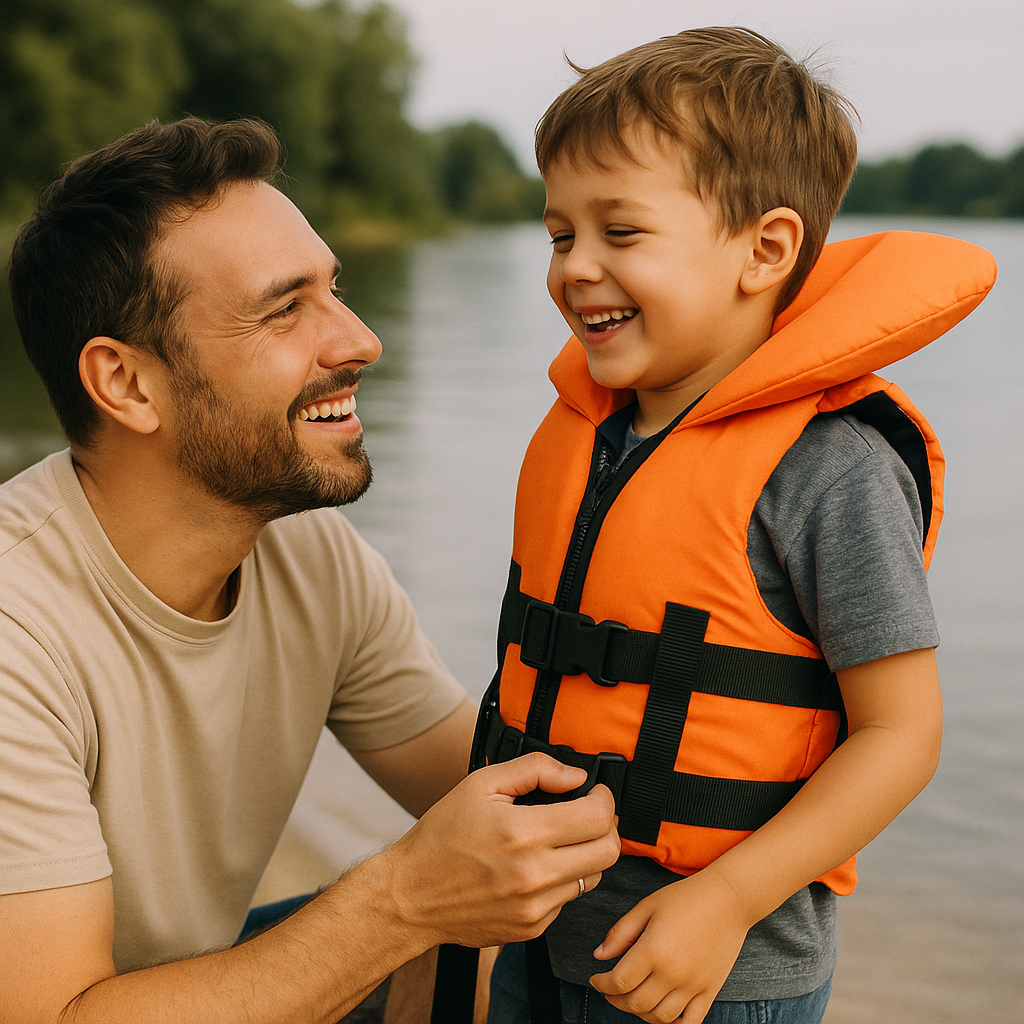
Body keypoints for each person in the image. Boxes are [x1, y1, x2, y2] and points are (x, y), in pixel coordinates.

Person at [0, 116, 621, 1024]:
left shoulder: (305, 551)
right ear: (128, 385)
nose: (362, 341)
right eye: (285, 309)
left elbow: (500, 792)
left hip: (174, 985)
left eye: (337, 290)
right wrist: (403, 899)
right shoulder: (17, 629)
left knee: (498, 942)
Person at [475, 26, 997, 1024]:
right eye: (558, 233)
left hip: (713, 973)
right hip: (537, 939)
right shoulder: (593, 437)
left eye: (619, 233)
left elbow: (901, 732)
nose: (575, 267)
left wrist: (725, 898)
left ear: (765, 249)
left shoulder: (828, 471)